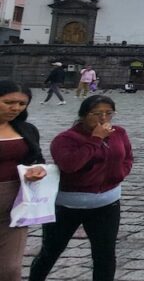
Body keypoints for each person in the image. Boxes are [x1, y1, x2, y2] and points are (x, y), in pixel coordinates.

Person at [29, 95, 133, 281]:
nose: (103, 118)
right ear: (83, 115)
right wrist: (96, 139)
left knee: (105, 255)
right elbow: (70, 165)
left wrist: (120, 173)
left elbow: (127, 157)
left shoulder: (119, 133)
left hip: (107, 204)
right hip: (67, 206)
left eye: (108, 113)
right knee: (51, 251)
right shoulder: (65, 139)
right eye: (96, 113)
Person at [0, 81, 48, 281]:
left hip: (15, 207)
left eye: (22, 104)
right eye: (8, 102)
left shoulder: (26, 129)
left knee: (10, 269)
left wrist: (37, 169)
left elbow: (37, 159)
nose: (15, 108)